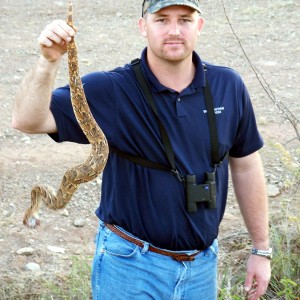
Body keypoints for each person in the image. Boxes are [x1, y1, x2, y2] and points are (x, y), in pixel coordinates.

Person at [12, 0, 271, 299]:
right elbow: (27, 120)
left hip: (201, 268)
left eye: (184, 19)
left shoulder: (228, 85)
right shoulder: (111, 89)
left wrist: (261, 248)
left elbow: (247, 164)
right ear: (142, 27)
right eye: (161, 20)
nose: (174, 30)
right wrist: (48, 61)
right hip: (129, 269)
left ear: (199, 26)